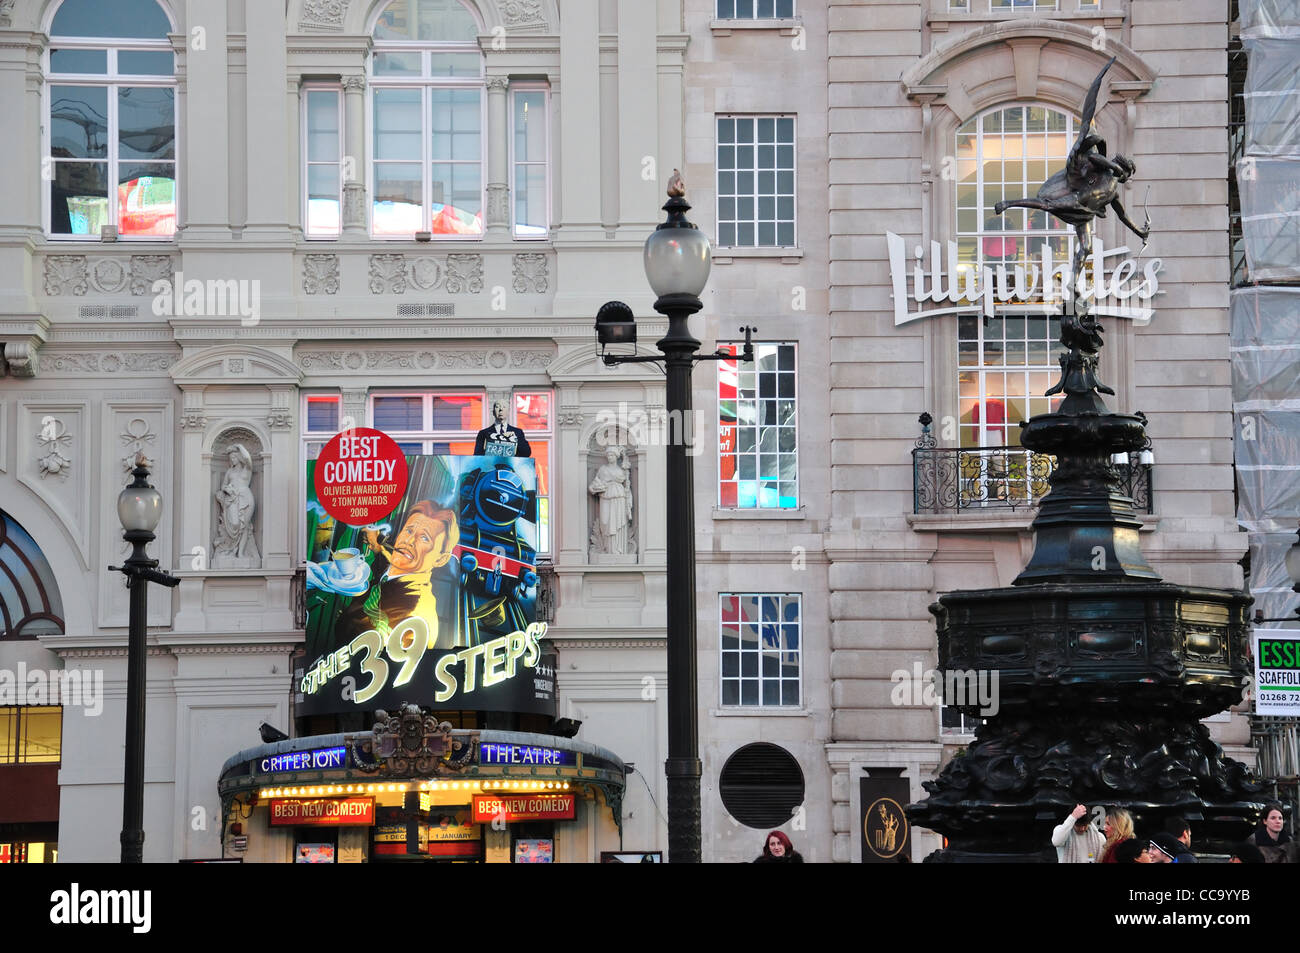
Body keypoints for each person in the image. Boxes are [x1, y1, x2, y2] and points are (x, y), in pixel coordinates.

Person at [337, 502, 459, 648]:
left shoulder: (417, 617)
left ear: (440, 559)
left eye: (424, 538)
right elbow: (390, 571)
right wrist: (377, 547)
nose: (408, 541)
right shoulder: (401, 569)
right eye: (408, 531)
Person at [213, 444, 259, 561]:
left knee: (244, 526)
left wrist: (239, 446)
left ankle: (241, 553)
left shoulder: (246, 469)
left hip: (246, 499)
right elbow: (223, 485)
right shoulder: (229, 471)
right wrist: (226, 489)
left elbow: (248, 459)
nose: (231, 460)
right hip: (232, 499)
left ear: (239, 457)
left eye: (234, 457)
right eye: (230, 458)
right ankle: (232, 548)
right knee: (235, 524)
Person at [588, 446, 634, 555]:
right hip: (605, 496)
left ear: (616, 456)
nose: (610, 457)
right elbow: (595, 482)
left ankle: (618, 549)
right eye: (608, 455)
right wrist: (593, 488)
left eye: (612, 455)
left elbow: (626, 484)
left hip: (619, 497)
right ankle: (607, 548)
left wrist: (627, 486)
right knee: (606, 521)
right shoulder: (603, 469)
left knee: (618, 522)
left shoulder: (621, 470)